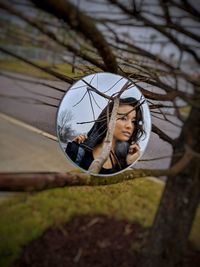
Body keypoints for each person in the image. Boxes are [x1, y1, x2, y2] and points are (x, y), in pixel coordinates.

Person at [65, 97, 145, 174]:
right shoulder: (82, 151)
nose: (130, 126)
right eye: (123, 118)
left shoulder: (125, 160)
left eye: (134, 121)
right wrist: (74, 150)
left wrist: (128, 164)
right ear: (108, 119)